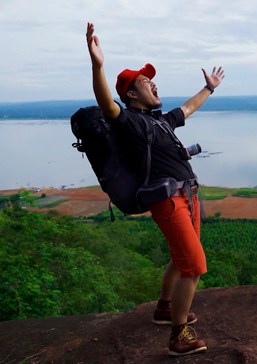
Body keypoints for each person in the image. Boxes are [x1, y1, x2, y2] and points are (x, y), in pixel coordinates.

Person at [86, 22, 224, 357]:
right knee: (194, 266)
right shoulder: (129, 121)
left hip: (187, 195)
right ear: (132, 94)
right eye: (146, 82)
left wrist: (209, 88)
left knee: (180, 260)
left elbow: (187, 108)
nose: (153, 84)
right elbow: (107, 105)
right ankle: (179, 336)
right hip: (168, 200)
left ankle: (164, 309)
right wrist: (97, 66)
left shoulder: (161, 120)